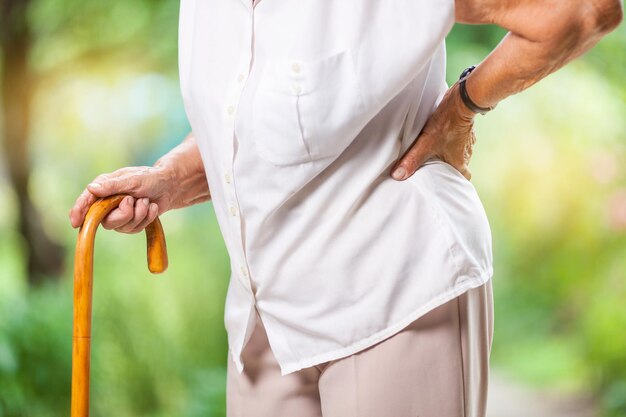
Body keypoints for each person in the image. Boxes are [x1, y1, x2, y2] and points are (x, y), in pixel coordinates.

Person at [69, 0, 623, 416]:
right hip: (268, 329)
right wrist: (168, 180)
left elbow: (578, 11)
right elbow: (254, 120)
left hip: (396, 301)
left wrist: (463, 104)